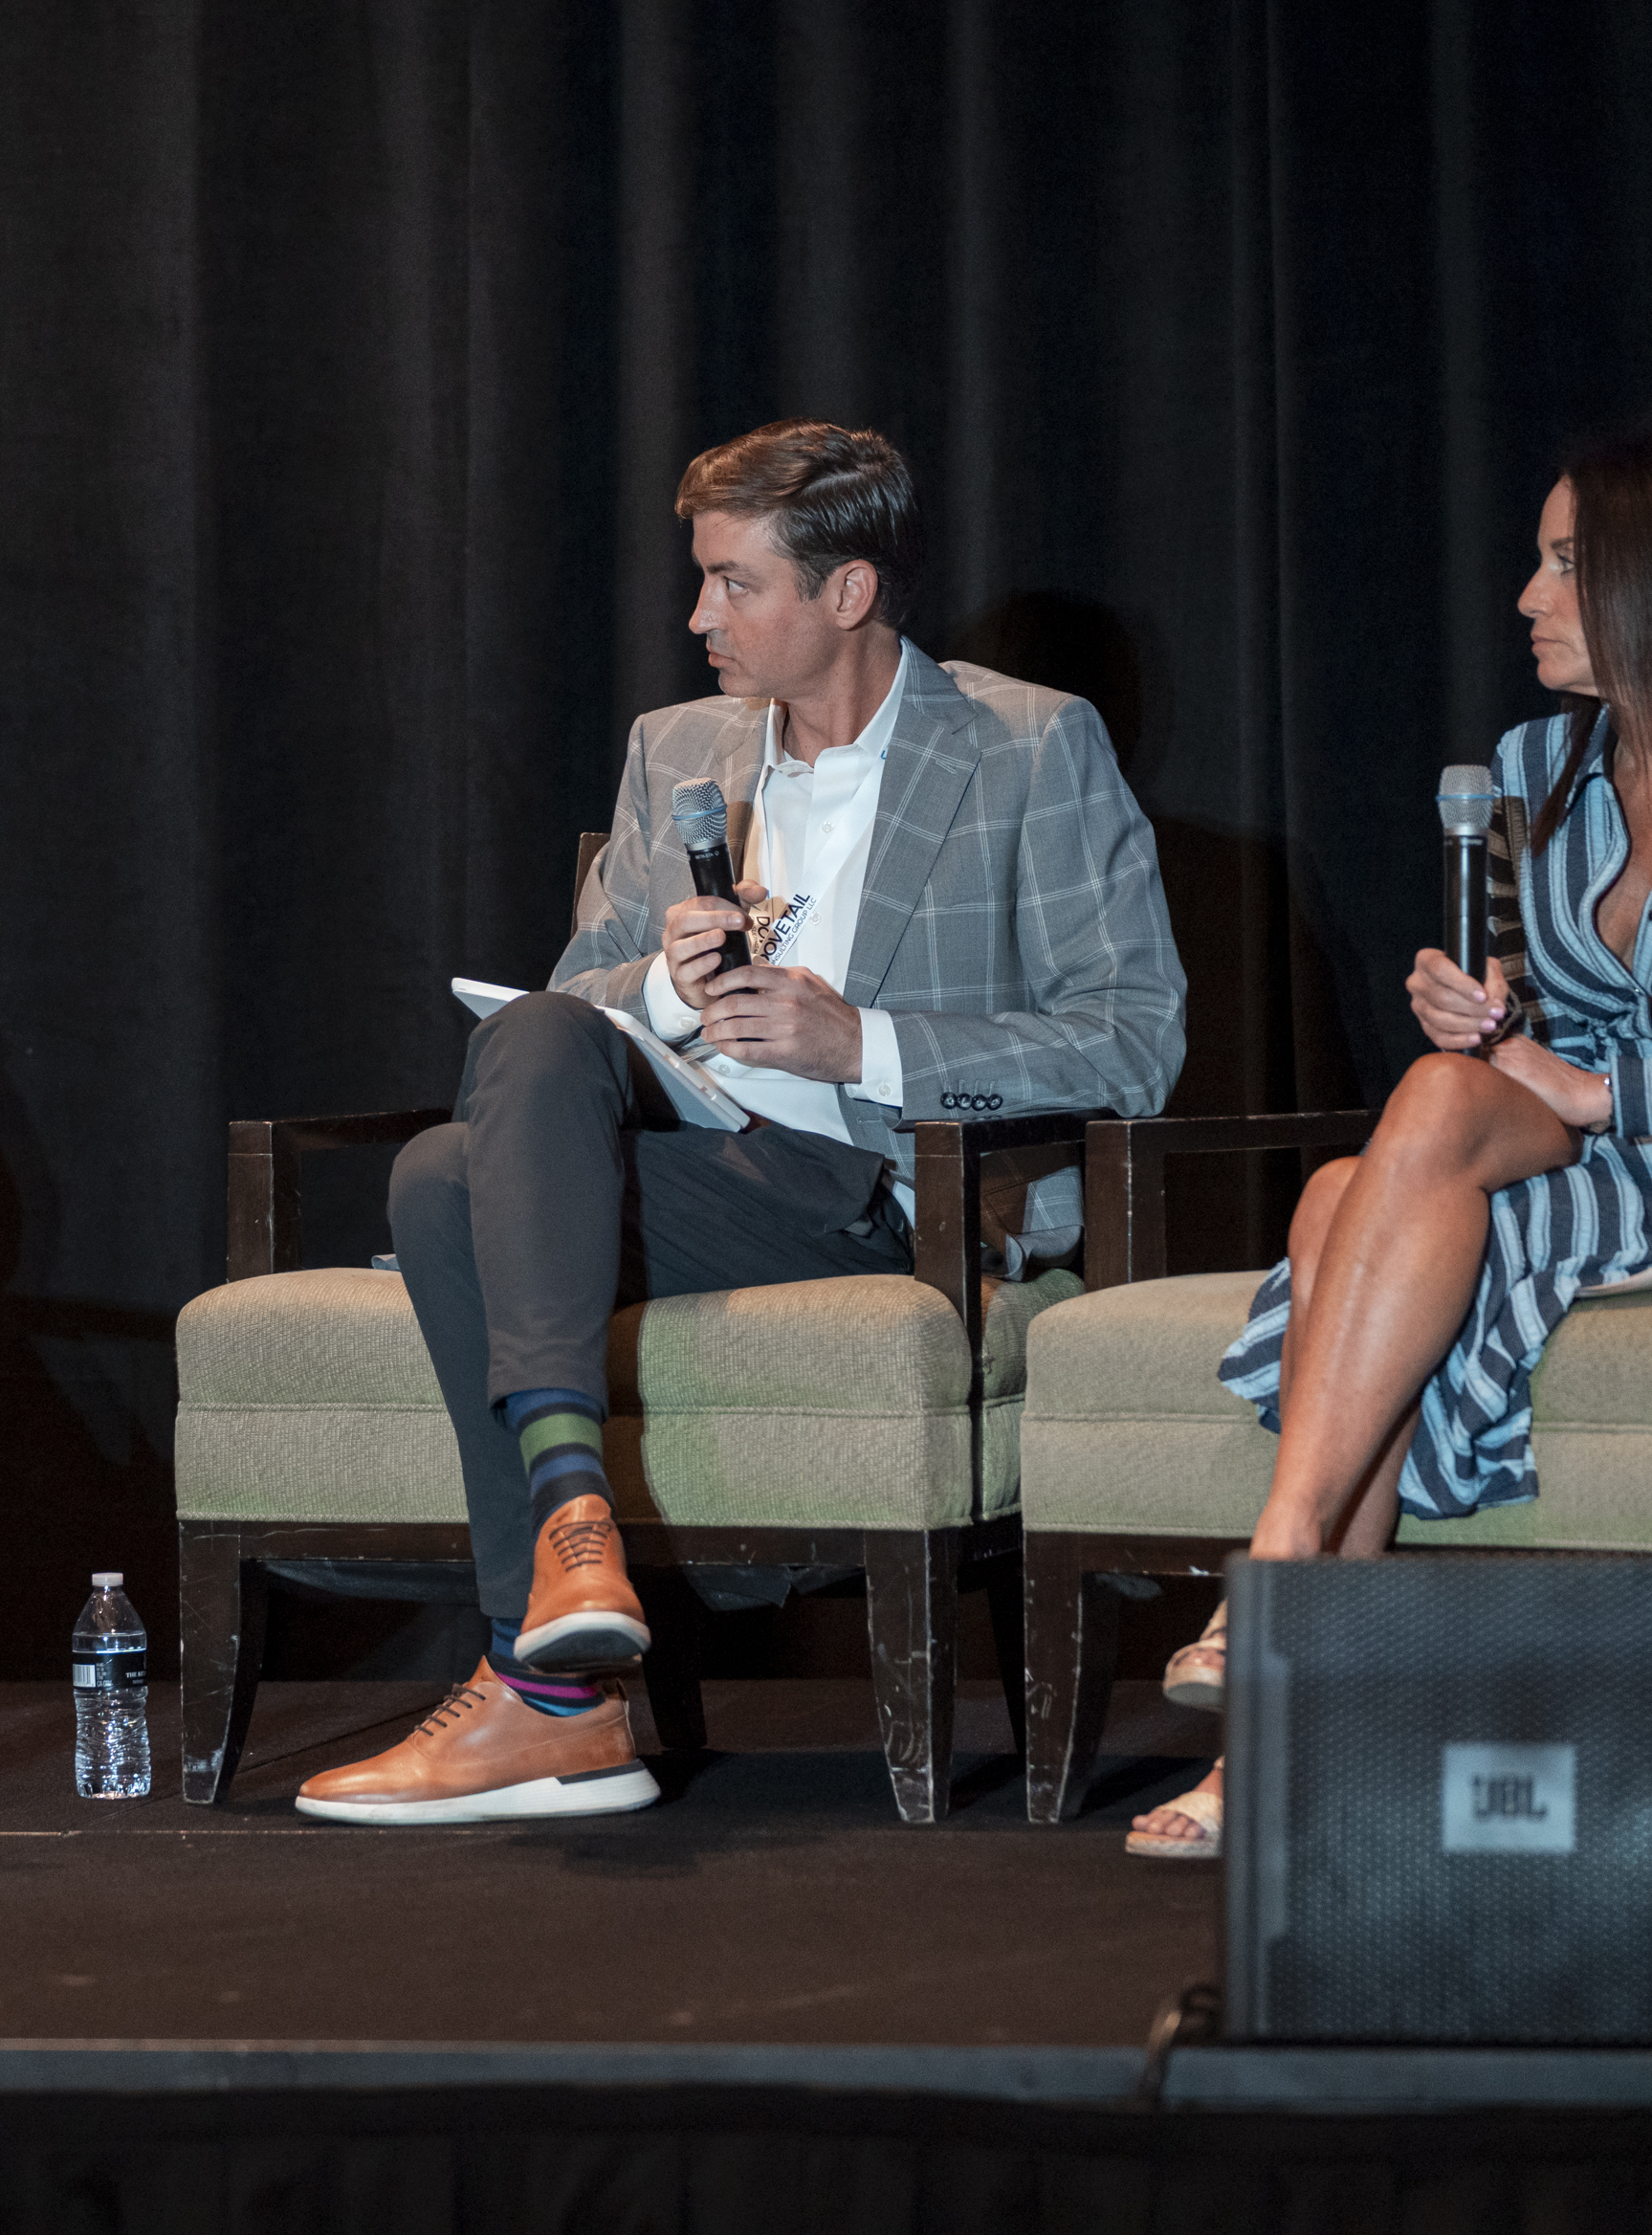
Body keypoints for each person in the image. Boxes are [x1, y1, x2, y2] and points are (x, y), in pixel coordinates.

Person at [295, 419, 1188, 1826]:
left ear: (846, 594)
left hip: (893, 1192)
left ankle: (545, 1695)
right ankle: (575, 1542)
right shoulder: (679, 749)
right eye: (701, 581)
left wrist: (866, 1043)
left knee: (437, 1188)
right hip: (691, 1163)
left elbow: (1135, 1041)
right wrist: (662, 980)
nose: (696, 616)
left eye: (734, 585)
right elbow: (574, 995)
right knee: (515, 1061)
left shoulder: (1026, 744)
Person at [1128, 418, 1652, 1861]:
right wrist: (1492, 1027)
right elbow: (1534, 1046)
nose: (1527, 596)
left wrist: (1597, 1097)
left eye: (1566, 564)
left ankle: (1274, 1616)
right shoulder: (1536, 763)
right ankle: (1285, 1661)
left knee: (1342, 1209)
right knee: (1378, 1157)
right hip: (1572, 1164)